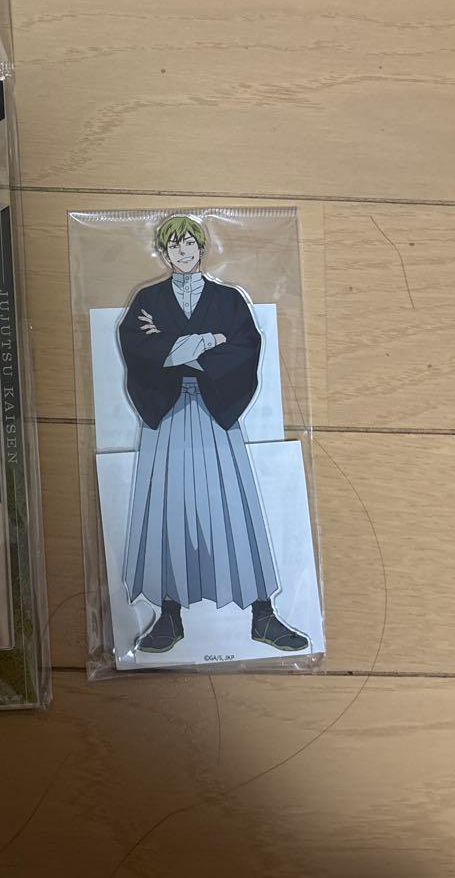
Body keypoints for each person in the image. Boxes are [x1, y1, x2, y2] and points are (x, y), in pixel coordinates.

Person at [117, 215, 307, 653]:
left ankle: (262, 614)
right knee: (168, 506)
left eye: (189, 244)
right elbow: (140, 349)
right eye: (173, 246)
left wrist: (182, 349)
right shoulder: (148, 300)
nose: (182, 252)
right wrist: (206, 340)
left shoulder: (228, 299)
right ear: (163, 253)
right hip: (166, 413)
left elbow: (245, 346)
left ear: (202, 248)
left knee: (233, 504)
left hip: (217, 409)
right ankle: (169, 615)